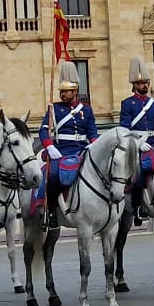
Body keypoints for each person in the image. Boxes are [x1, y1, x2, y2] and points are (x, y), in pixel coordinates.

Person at [40, 62, 100, 225]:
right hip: (61, 151)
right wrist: (49, 146)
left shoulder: (86, 110)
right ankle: (51, 211)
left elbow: (92, 132)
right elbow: (44, 131)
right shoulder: (54, 109)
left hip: (82, 150)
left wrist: (93, 144)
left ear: (74, 92)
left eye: (66, 91)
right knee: (51, 176)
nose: (63, 94)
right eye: (62, 91)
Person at [116, 56, 154, 224]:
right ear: (134, 85)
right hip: (138, 144)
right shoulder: (127, 104)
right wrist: (138, 142)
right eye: (141, 83)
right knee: (140, 172)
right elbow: (124, 129)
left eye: (146, 82)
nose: (145, 85)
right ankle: (138, 206)